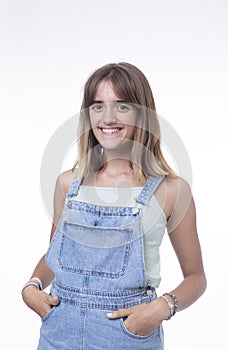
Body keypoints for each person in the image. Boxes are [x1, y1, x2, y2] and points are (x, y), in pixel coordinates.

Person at [22, 62, 207, 350]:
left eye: (121, 106)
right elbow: (54, 256)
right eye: (97, 106)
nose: (107, 117)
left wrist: (162, 307)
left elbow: (196, 278)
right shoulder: (68, 184)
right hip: (59, 333)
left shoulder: (171, 190)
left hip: (126, 335)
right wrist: (32, 286)